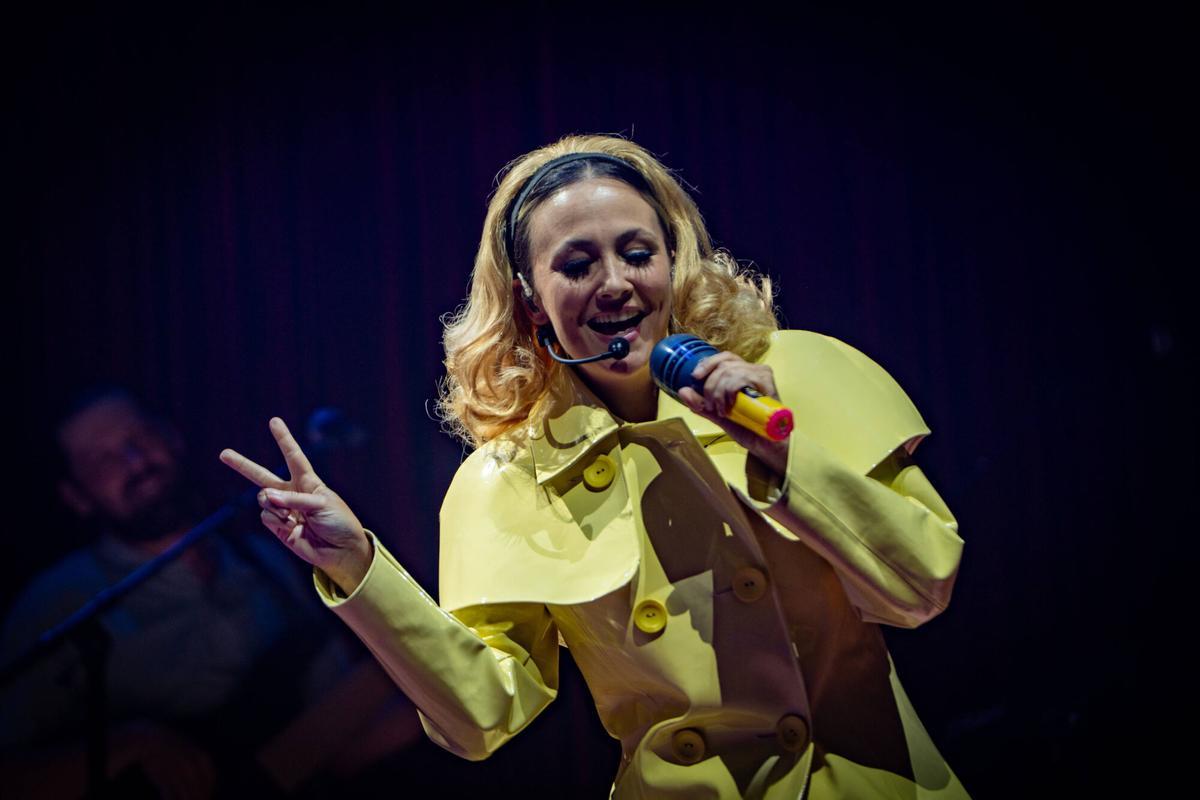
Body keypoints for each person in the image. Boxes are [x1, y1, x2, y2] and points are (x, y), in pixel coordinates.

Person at [221, 135, 970, 798]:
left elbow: (920, 590)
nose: (615, 283)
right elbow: (484, 717)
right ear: (531, 299)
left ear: (672, 263)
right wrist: (358, 566)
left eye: (637, 253)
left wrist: (783, 459)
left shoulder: (791, 377)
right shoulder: (508, 477)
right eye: (577, 265)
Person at [0, 390, 421, 798]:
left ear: (171, 438)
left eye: (140, 437)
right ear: (76, 497)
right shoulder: (57, 602)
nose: (135, 461)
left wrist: (443, 701)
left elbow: (325, 745)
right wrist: (126, 746)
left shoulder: (267, 558)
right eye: (102, 459)